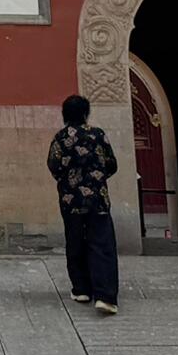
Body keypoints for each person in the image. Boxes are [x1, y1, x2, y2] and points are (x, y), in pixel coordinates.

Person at [46, 93, 121, 313]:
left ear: (65, 114)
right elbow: (111, 164)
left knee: (75, 241)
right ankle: (105, 296)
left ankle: (81, 289)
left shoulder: (60, 138)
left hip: (71, 201)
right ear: (86, 113)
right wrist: (96, 178)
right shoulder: (98, 134)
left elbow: (53, 165)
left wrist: (68, 181)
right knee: (101, 244)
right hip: (98, 199)